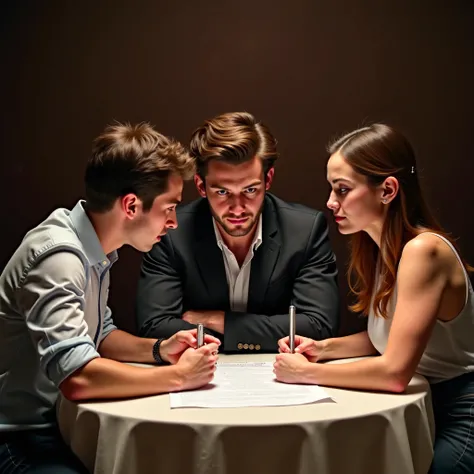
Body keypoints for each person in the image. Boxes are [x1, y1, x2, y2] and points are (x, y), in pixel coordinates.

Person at [0, 122, 220, 473]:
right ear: (131, 205)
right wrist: (179, 377)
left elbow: (98, 336)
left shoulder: (92, 247)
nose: (174, 222)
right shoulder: (59, 257)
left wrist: (159, 350)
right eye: (169, 207)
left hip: (60, 427)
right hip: (19, 437)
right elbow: (78, 377)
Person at [274, 123, 474, 473]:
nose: (330, 202)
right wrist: (324, 349)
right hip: (423, 402)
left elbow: (395, 372)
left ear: (388, 190)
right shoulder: (385, 251)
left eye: (342, 189)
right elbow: (390, 338)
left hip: (462, 410)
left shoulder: (423, 251)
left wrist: (307, 374)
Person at [136, 111, 340, 353]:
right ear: (201, 186)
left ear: (268, 179)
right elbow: (154, 326)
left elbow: (319, 326)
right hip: (199, 374)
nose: (238, 207)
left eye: (251, 190)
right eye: (222, 192)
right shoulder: (171, 233)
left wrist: (218, 321)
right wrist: (264, 330)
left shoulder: (305, 230)